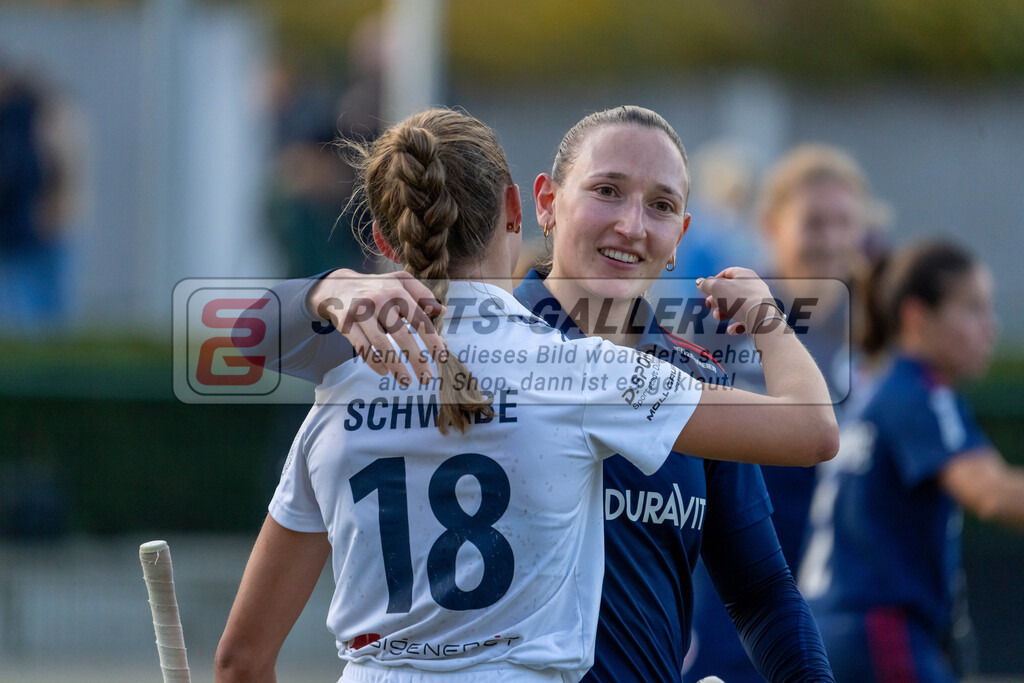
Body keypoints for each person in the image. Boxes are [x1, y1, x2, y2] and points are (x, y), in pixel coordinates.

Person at [227, 106, 836, 682]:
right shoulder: (553, 366)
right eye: (606, 191)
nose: (631, 223)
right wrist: (327, 288)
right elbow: (811, 430)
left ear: (681, 232)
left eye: (661, 205)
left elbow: (762, 593)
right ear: (538, 204)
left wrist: (322, 290)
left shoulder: (690, 375)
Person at [686, 144, 874, 682]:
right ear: (772, 224)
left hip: (844, 575)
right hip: (737, 559)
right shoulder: (722, 314)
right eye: (814, 222)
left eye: (844, 222)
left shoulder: (878, 324)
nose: (831, 239)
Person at [797, 241, 1024, 682]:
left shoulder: (873, 390)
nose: (990, 326)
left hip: (824, 633)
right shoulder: (920, 392)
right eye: (973, 308)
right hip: (879, 634)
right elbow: (992, 494)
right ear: (917, 316)